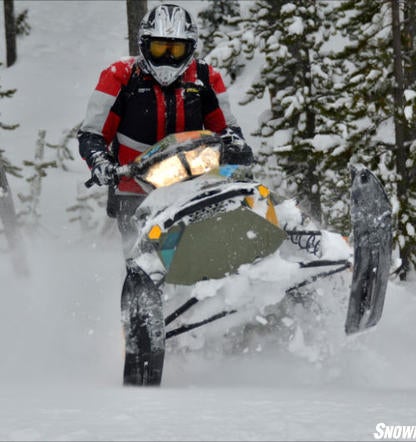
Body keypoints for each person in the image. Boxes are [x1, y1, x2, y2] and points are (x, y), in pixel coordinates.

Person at [77, 3, 252, 386]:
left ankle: (241, 321)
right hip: (134, 191)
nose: (168, 58)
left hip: (193, 187)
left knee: (217, 253)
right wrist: (100, 162)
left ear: (189, 48)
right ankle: (139, 340)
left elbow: (228, 127)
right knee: (145, 268)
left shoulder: (205, 77)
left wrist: (236, 145)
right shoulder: (120, 76)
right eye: (159, 49)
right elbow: (90, 133)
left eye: (175, 49)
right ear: (144, 46)